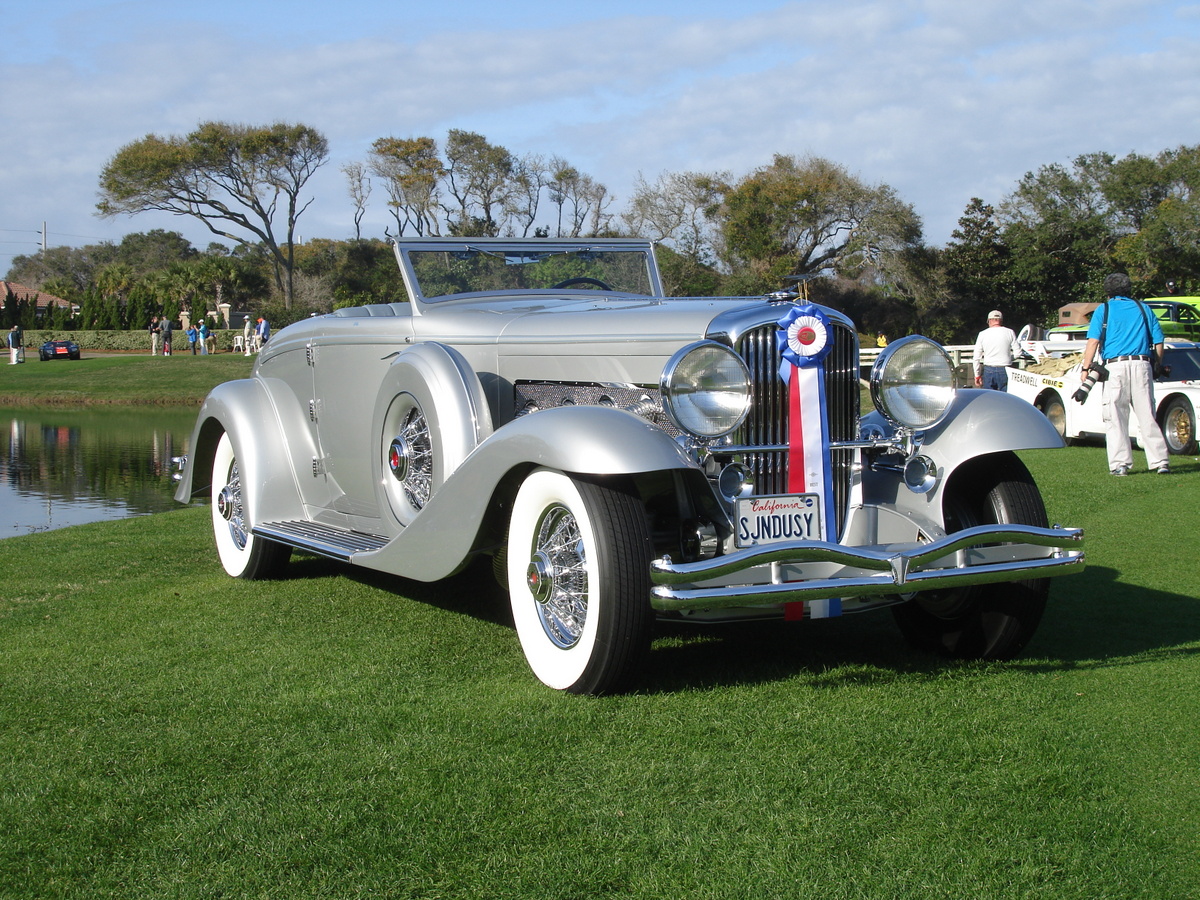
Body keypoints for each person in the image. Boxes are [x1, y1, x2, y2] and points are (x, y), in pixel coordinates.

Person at [1080, 273, 1171, 476]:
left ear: (1108, 291)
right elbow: (1158, 341)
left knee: (1115, 417)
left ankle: (1120, 464)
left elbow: (1093, 342)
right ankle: (1160, 462)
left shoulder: (1104, 310)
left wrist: (1086, 369)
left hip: (1115, 368)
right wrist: (1157, 364)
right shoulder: (1143, 308)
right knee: (1147, 415)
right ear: (1129, 289)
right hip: (1142, 364)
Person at [972, 309, 1020, 390]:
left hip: (989, 369)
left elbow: (976, 357)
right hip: (1005, 368)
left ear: (989, 320)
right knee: (1005, 398)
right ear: (1001, 321)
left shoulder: (982, 334)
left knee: (989, 397)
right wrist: (1009, 358)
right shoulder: (1010, 332)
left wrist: (977, 375)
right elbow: (1018, 353)